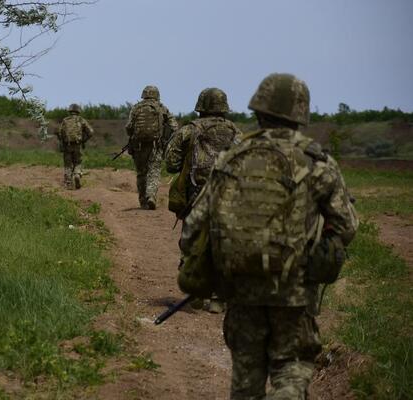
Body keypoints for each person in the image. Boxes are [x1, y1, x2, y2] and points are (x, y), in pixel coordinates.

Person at [180, 73, 358, 399]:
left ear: (257, 110)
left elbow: (194, 226)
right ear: (301, 114)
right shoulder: (318, 164)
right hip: (294, 290)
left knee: (246, 379)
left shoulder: (232, 158)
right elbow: (347, 227)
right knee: (290, 368)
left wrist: (209, 264)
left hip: (240, 288)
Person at [165, 87, 242, 313]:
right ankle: (218, 299)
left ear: (200, 106)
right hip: (228, 196)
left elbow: (171, 163)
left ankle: (196, 295)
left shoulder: (189, 131)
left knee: (192, 243)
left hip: (195, 196)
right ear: (224, 108)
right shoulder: (237, 133)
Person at [125, 85, 179, 209]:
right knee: (153, 171)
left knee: (141, 173)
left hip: (138, 146)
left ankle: (143, 201)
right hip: (156, 145)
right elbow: (174, 127)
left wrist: (134, 136)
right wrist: (166, 138)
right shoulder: (161, 107)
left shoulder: (136, 108)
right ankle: (151, 196)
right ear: (157, 95)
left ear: (143, 94)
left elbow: (128, 127)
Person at [56, 103, 93, 189]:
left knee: (68, 164)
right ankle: (77, 174)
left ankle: (68, 184)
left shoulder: (65, 120)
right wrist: (84, 140)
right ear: (78, 111)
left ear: (70, 111)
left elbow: (59, 132)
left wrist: (62, 142)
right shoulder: (81, 120)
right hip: (78, 145)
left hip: (67, 145)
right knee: (78, 162)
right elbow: (91, 132)